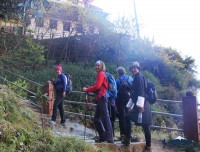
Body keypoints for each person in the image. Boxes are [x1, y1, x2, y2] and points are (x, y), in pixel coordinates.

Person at [122, 61, 152, 151]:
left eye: (135, 68)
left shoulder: (139, 77)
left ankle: (128, 139)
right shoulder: (137, 78)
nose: (133, 69)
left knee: (144, 125)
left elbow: (141, 91)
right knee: (145, 126)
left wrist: (140, 106)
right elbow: (135, 90)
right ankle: (147, 146)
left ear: (138, 68)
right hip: (142, 104)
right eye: (132, 68)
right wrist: (128, 87)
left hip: (142, 105)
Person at [83, 60, 114, 143]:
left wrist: (87, 89)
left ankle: (109, 138)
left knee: (105, 118)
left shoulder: (101, 74)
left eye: (98, 65)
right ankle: (103, 137)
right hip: (101, 98)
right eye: (96, 65)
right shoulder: (101, 74)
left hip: (102, 98)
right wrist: (90, 88)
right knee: (97, 118)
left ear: (102, 66)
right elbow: (98, 86)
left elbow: (97, 86)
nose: (97, 67)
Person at [115, 67, 133, 140]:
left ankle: (123, 134)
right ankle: (129, 133)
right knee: (128, 115)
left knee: (122, 116)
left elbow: (115, 90)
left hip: (120, 99)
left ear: (118, 73)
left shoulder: (117, 80)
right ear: (125, 72)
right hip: (129, 98)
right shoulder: (130, 78)